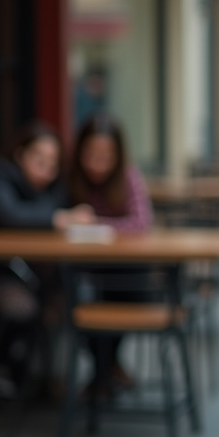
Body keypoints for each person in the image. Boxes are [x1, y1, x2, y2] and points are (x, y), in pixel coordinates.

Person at [0, 121, 95, 395]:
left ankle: (63, 378)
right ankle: (5, 371)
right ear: (20, 154)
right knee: (25, 308)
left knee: (79, 295)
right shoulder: (0, 174)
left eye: (52, 163)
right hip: (1, 272)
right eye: (39, 160)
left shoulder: (55, 185)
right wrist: (60, 217)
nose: (46, 170)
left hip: (40, 275)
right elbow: (9, 214)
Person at [67, 114, 154, 395]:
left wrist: (96, 225)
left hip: (123, 271)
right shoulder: (70, 178)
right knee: (72, 298)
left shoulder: (128, 177)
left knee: (116, 295)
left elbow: (141, 223)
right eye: (90, 155)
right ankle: (107, 370)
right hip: (82, 270)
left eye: (106, 156)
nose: (97, 164)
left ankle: (102, 375)